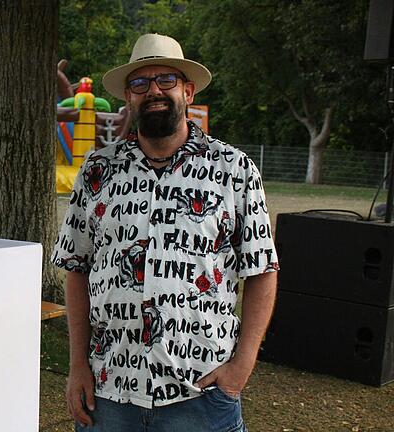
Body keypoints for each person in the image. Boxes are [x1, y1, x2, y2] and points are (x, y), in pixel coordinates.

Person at [52, 33, 279, 432]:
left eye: (166, 81)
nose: (153, 91)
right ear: (128, 97)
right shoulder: (96, 171)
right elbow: (76, 268)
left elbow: (261, 270)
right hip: (109, 393)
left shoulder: (234, 170)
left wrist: (241, 367)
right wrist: (76, 366)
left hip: (199, 393)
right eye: (140, 83)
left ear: (188, 91)